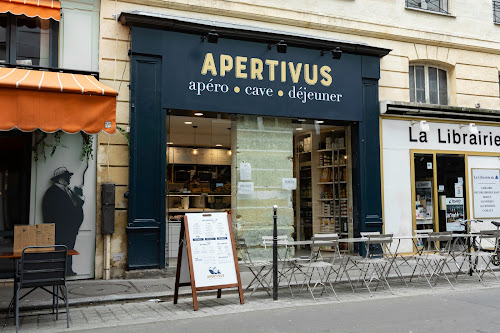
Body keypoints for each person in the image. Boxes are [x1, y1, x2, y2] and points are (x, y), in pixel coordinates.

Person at [43, 167, 85, 276]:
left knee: (69, 249)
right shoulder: (53, 192)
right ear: (59, 178)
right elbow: (52, 212)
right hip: (61, 229)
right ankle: (60, 271)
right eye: (67, 177)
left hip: (70, 228)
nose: (69, 178)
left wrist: (78, 194)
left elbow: (78, 204)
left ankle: (67, 270)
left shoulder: (68, 190)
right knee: (61, 249)